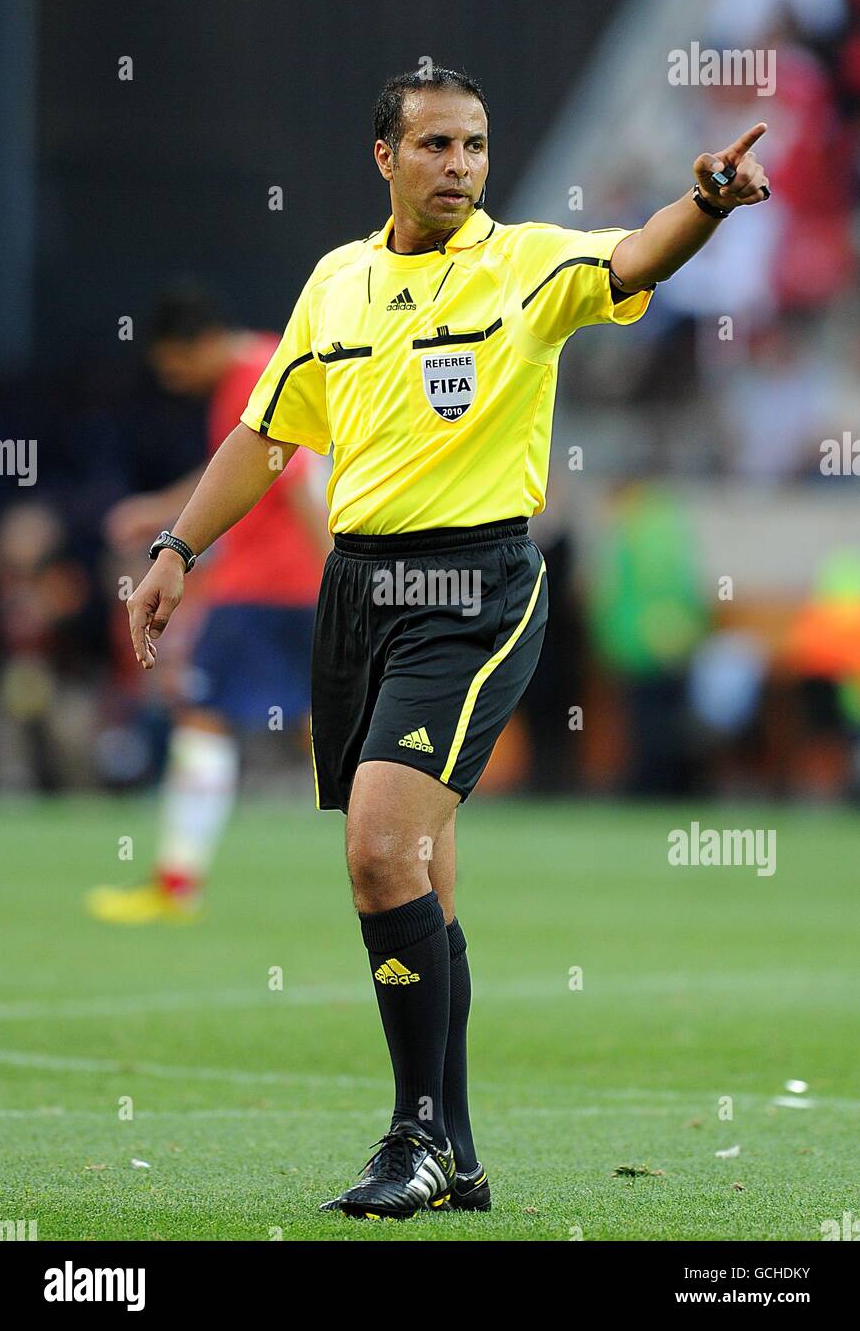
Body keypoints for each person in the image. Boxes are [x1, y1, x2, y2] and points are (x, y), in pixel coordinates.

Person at [123, 68, 770, 1216]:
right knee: (415, 871)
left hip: (471, 591)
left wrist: (707, 204)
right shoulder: (336, 284)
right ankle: (456, 1154)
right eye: (433, 144)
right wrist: (178, 545)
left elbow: (634, 258)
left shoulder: (523, 263)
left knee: (379, 849)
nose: (458, 164)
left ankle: (411, 1134)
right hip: (356, 590)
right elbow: (266, 436)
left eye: (471, 144)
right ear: (385, 156)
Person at [87, 284, 329, 923]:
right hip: (289, 585)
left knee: (202, 716)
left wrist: (336, 574)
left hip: (263, 585)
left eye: (172, 365)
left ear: (194, 344)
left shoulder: (253, 376)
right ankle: (412, 853)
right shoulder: (270, 360)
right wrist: (162, 511)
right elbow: (238, 469)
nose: (172, 381)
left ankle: (174, 885)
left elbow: (296, 475)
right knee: (326, 727)